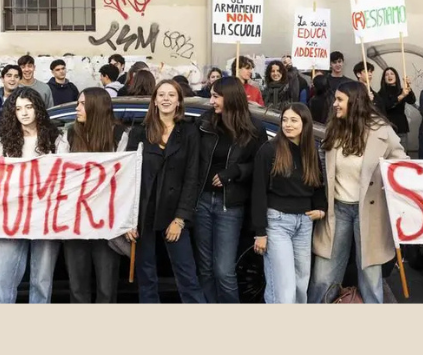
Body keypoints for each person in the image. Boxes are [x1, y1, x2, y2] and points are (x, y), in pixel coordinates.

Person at [308, 81, 407, 304]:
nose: (335, 104)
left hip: (369, 212)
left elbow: (401, 166)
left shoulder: (382, 130)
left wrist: (387, 184)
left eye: (340, 99)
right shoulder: (334, 128)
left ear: (355, 102)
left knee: (371, 276)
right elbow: (323, 164)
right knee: (323, 275)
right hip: (337, 210)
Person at [124, 80, 205, 303]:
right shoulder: (139, 132)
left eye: (171, 94)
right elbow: (128, 178)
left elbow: (192, 178)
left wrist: (180, 219)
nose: (166, 98)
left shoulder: (189, 132)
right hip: (143, 214)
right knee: (147, 277)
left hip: (175, 214)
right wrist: (129, 220)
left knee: (187, 276)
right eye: (161, 95)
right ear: (155, 101)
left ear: (179, 101)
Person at [0, 88, 69, 303]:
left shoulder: (57, 141)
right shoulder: (3, 143)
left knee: (41, 281)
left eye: (28, 107)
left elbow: (64, 177)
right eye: (18, 108)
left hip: (46, 216)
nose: (23, 113)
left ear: (38, 109)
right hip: (12, 217)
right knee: (1, 280)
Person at [195, 76, 268, 302]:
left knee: (224, 271)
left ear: (230, 98)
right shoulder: (204, 122)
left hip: (231, 206)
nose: (211, 101)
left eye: (216, 96)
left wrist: (234, 173)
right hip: (202, 203)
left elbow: (261, 167)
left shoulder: (254, 128)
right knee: (205, 269)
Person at [252, 103, 326, 303]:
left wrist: (321, 209)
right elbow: (258, 191)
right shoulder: (269, 150)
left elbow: (317, 185)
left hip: (304, 222)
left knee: (301, 284)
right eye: (284, 120)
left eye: (294, 120)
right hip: (277, 221)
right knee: (283, 289)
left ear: (305, 123)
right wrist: (260, 232)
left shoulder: (311, 151)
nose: (288, 124)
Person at [63, 88, 124, 303]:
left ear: (95, 107)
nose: (77, 108)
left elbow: (126, 178)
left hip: (106, 223)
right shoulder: (70, 134)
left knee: (106, 288)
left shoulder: (119, 135)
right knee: (77, 287)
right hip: (75, 222)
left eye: (81, 104)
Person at [374, 67, 415, 147]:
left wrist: (408, 86)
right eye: (387, 75)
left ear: (396, 76)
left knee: (402, 153)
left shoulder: (401, 90)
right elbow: (387, 106)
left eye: (392, 74)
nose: (389, 76)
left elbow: (412, 100)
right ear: (384, 79)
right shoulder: (380, 94)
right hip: (387, 127)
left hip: (401, 126)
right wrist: (401, 96)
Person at [0, 64, 21, 133]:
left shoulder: (23, 98)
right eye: (9, 76)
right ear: (2, 78)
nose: (12, 79)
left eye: (16, 76)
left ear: (19, 80)